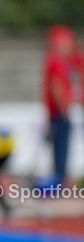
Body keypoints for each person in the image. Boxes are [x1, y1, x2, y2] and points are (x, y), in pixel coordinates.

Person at [43, 26, 74, 185]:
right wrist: (65, 111)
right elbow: (57, 87)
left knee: (60, 151)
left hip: (56, 113)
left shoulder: (56, 60)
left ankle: (59, 181)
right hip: (59, 114)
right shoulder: (57, 60)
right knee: (61, 151)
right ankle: (60, 183)